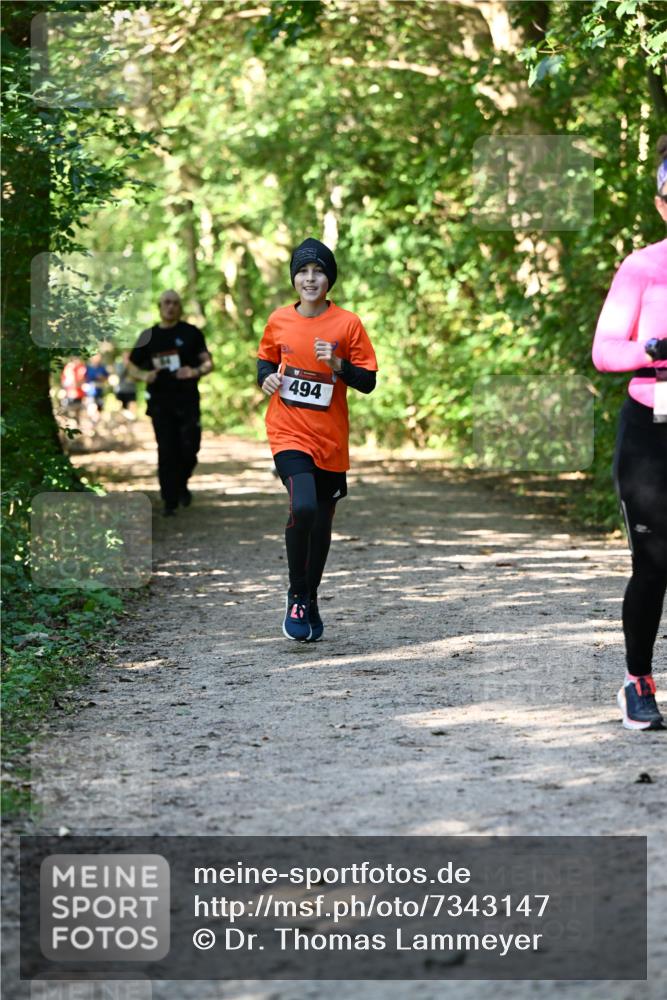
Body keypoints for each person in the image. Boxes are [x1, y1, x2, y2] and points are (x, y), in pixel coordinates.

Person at [257, 238, 378, 642]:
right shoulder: (279, 320)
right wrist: (266, 379)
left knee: (322, 523)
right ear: (294, 278)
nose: (310, 278)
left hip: (330, 439)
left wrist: (338, 363)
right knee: (303, 505)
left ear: (330, 280)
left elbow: (368, 382)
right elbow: (266, 360)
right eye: (303, 271)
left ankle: (310, 595)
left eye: (319, 271)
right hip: (287, 431)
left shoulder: (348, 324)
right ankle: (296, 594)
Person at [592, 136, 667, 731]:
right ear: (662, 204)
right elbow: (604, 351)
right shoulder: (643, 267)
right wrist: (652, 347)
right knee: (655, 562)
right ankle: (637, 680)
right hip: (652, 425)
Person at [128, 290, 213, 516]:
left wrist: (194, 371)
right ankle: (169, 501)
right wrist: (145, 375)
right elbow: (131, 366)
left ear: (180, 307)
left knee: (190, 448)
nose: (171, 306)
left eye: (175, 303)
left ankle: (181, 484)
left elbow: (208, 363)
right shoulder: (148, 336)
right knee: (166, 450)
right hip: (160, 403)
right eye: (166, 302)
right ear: (159, 306)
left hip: (187, 401)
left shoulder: (191, 333)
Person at [83, 353, 109, 421]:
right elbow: (84, 378)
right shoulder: (88, 368)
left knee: (100, 407)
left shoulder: (102, 368)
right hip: (91, 391)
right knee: (91, 407)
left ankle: (98, 421)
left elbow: (106, 378)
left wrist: (101, 377)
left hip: (100, 390)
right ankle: (92, 421)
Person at [114, 350, 137, 418]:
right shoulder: (119, 364)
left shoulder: (133, 365)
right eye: (126, 356)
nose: (127, 357)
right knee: (120, 408)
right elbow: (119, 374)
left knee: (132, 407)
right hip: (121, 390)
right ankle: (121, 420)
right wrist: (126, 365)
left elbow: (137, 375)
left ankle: (131, 420)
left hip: (131, 390)